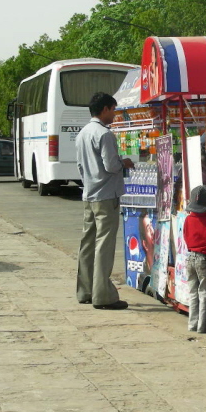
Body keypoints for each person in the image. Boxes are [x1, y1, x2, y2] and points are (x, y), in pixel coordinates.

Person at [75, 92, 134, 310]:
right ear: (105, 109)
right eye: (113, 110)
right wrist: (124, 162)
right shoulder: (104, 134)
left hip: (89, 194)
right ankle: (103, 295)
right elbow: (110, 165)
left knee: (88, 244)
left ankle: (86, 290)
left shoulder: (82, 133)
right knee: (104, 245)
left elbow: (80, 166)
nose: (115, 115)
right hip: (106, 195)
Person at [183, 185, 206, 333]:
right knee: (204, 293)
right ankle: (203, 326)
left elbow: (186, 237)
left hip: (190, 257)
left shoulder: (187, 219)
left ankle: (192, 324)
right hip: (205, 259)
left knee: (193, 292)